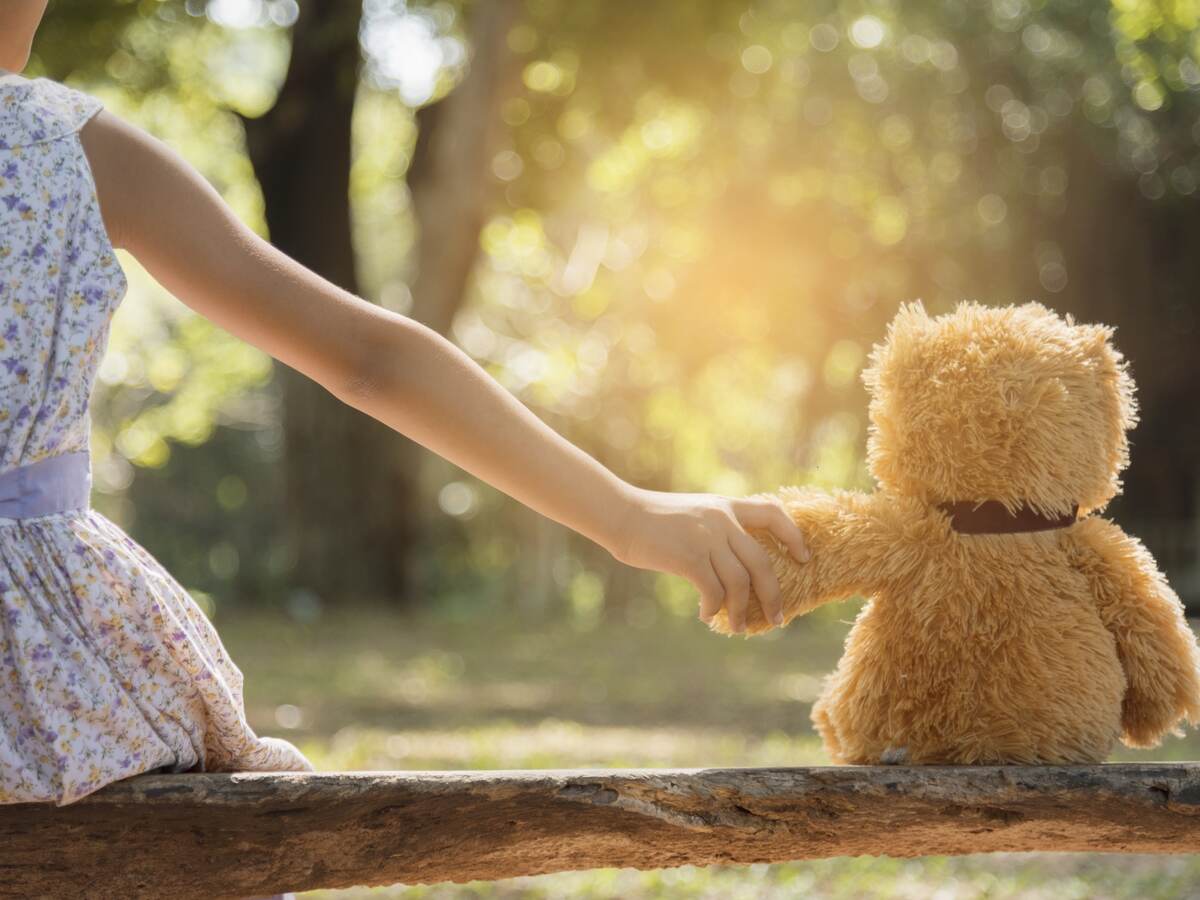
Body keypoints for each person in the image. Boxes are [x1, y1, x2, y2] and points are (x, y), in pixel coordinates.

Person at [0, 0, 808, 884]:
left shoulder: (67, 146)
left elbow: (372, 358)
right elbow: (368, 359)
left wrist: (629, 513)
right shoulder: (67, 148)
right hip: (50, 679)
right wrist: (626, 514)